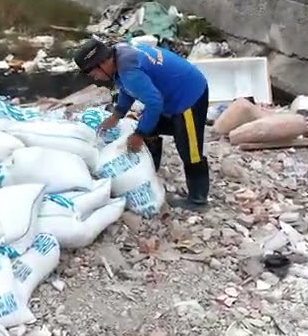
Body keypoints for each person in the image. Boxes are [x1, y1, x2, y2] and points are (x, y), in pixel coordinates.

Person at [74, 39, 210, 211]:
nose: (94, 77)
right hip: (169, 94)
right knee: (151, 128)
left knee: (189, 149)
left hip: (188, 95)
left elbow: (153, 103)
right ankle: (151, 171)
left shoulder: (129, 70)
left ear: (102, 62)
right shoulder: (120, 55)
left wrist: (139, 134)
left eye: (91, 72)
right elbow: (127, 89)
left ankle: (198, 200)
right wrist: (117, 115)